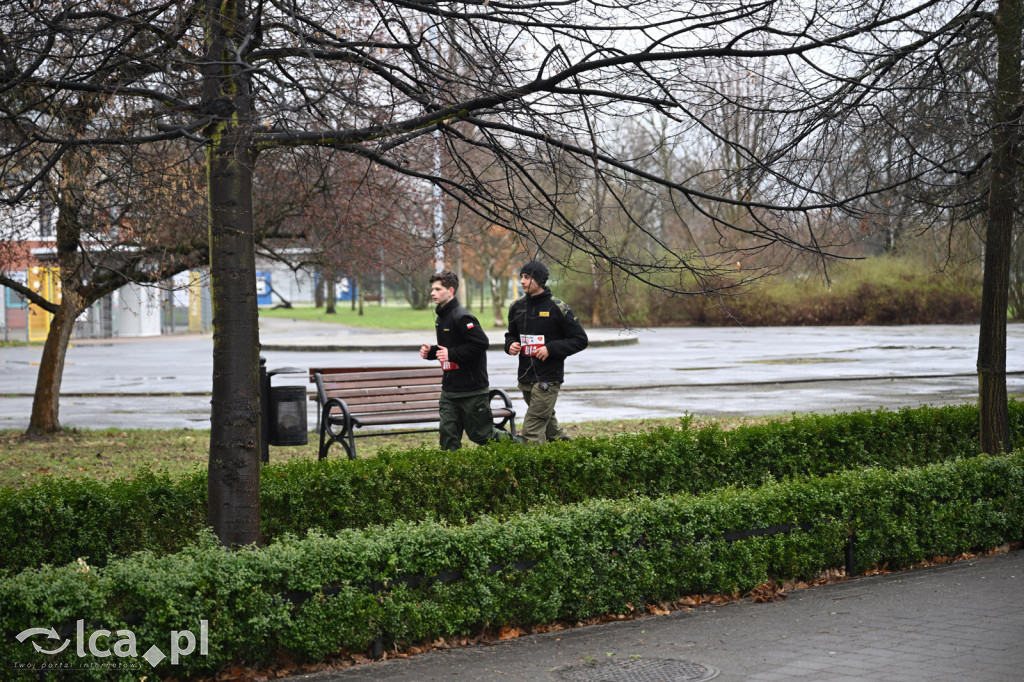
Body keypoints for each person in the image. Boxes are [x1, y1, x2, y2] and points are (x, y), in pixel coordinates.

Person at [420, 270, 509, 450]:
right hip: (450, 391)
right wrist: (432, 352)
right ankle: (451, 475)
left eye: (437, 289)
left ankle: (520, 447)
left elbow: (481, 344)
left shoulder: (462, 317)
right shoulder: (441, 317)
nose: (432, 293)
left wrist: (451, 354)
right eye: (432, 289)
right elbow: (451, 348)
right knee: (448, 438)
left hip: (472, 391)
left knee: (482, 435)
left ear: (450, 291)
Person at [504, 259, 588, 444]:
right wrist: (510, 345)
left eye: (527, 277)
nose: (522, 282)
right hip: (526, 377)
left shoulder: (557, 307)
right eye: (521, 277)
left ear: (539, 280)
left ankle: (534, 471)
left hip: (548, 378)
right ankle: (570, 451)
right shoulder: (516, 307)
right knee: (550, 427)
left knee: (532, 429)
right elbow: (511, 335)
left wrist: (550, 349)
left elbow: (580, 340)